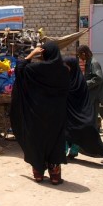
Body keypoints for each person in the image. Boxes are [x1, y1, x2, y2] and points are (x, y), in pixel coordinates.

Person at [10, 42, 69, 185]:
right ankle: (55, 176)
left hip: (37, 113)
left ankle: (38, 173)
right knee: (55, 141)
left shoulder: (36, 68)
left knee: (37, 140)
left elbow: (20, 69)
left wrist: (31, 54)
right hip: (57, 113)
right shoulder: (64, 70)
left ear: (44, 53)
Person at [63, 57, 103, 160]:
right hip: (67, 111)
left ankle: (74, 151)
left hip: (79, 111)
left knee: (78, 131)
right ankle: (63, 152)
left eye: (67, 66)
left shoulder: (81, 81)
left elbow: (85, 98)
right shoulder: (64, 78)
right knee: (65, 131)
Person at [77, 45, 103, 130]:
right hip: (89, 96)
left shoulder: (94, 63)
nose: (79, 58)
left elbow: (99, 78)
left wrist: (85, 84)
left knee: (92, 118)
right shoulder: (88, 62)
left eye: (79, 55)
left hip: (94, 96)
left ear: (84, 53)